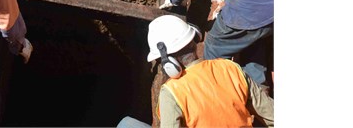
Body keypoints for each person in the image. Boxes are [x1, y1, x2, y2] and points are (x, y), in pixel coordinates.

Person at [117, 15, 274, 128]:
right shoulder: (230, 69)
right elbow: (272, 115)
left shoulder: (172, 92)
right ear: (194, 39)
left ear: (168, 63)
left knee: (126, 124)